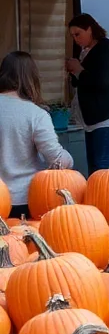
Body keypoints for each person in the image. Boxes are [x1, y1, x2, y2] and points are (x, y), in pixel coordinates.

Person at [0, 51, 74, 217]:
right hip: (25, 200)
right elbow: (57, 160)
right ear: (31, 78)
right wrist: (69, 158)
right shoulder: (35, 114)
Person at [66, 14, 109, 172]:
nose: (76, 39)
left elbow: (102, 82)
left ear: (89, 29)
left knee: (101, 166)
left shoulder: (105, 48)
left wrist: (79, 70)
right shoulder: (86, 51)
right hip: (94, 118)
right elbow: (81, 82)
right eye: (72, 36)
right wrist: (73, 72)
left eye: (78, 34)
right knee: (97, 164)